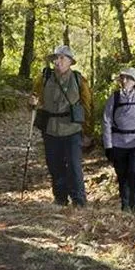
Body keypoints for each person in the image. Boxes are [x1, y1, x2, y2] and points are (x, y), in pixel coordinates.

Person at [29, 45, 92, 208]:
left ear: (70, 61)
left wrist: (88, 131)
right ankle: (60, 198)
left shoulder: (79, 80)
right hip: (50, 129)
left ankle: (79, 201)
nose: (57, 61)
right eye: (56, 58)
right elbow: (34, 99)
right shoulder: (44, 78)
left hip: (72, 129)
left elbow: (87, 106)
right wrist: (32, 102)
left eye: (62, 58)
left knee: (74, 166)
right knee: (54, 165)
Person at [102, 67, 135, 213]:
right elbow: (106, 122)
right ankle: (126, 208)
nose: (124, 81)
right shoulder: (114, 98)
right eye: (123, 78)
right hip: (118, 143)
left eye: (128, 78)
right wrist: (108, 146)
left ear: (134, 82)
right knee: (122, 176)